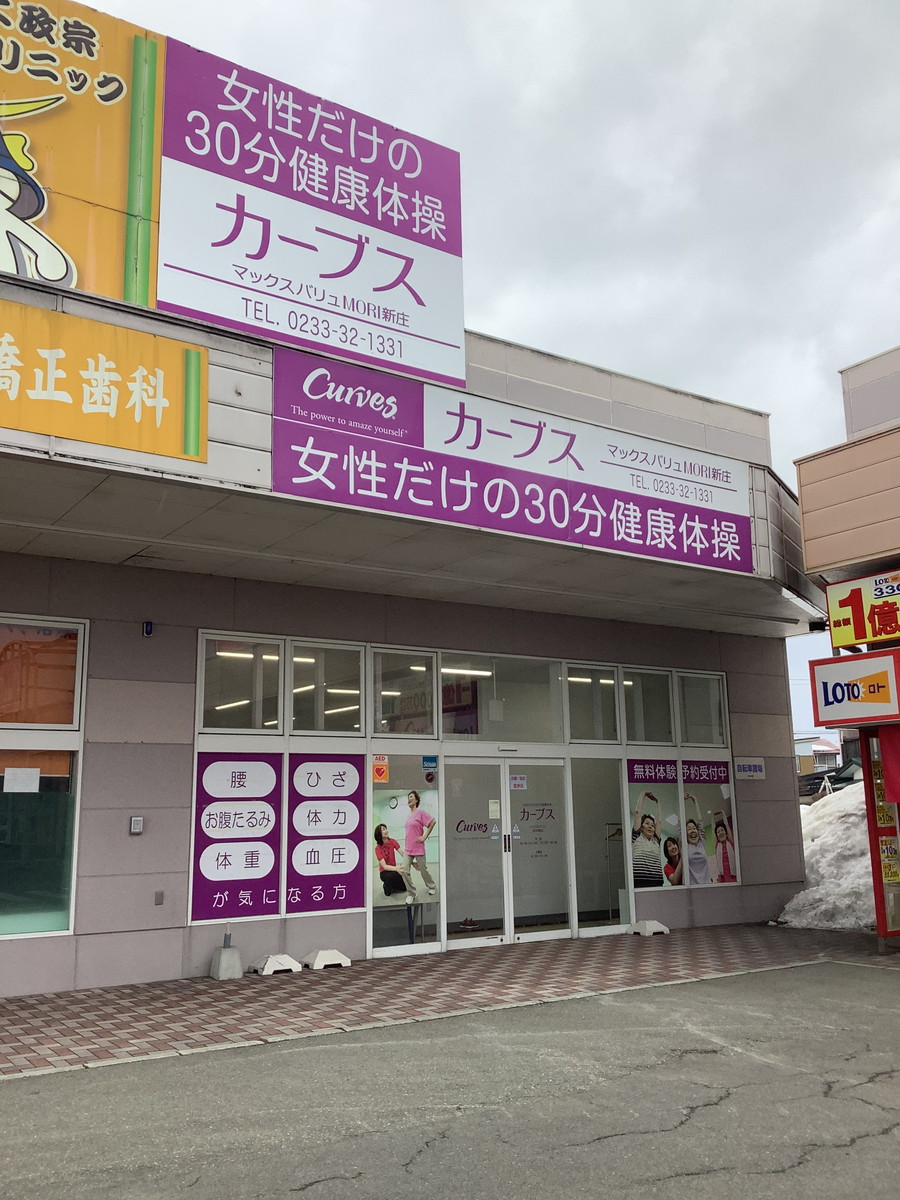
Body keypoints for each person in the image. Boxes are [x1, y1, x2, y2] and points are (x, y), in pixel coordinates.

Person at [404, 791, 437, 896]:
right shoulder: (409, 816)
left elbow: (432, 822)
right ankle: (412, 893)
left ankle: (431, 886)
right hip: (408, 849)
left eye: (411, 797)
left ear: (416, 800)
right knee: (404, 870)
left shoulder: (420, 813)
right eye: (408, 797)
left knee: (423, 870)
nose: (409, 799)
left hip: (418, 848)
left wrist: (425, 836)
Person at [374, 823, 416, 904]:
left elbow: (403, 854)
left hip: (393, 870)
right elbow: (384, 866)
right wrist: (397, 868)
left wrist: (412, 862)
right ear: (379, 834)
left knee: (404, 888)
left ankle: (392, 884)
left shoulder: (392, 841)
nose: (386, 831)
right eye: (383, 829)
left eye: (386, 829)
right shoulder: (378, 848)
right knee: (391, 878)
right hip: (384, 872)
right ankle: (386, 886)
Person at [631, 791, 664, 888]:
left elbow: (659, 821)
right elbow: (638, 813)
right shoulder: (637, 837)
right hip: (639, 882)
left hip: (657, 883)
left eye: (652, 825)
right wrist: (643, 794)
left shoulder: (656, 841)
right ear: (641, 827)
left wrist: (658, 802)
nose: (650, 826)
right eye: (647, 823)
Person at [683, 793, 713, 885]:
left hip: (706, 885)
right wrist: (681, 801)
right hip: (691, 888)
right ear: (685, 834)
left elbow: (700, 821)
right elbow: (680, 825)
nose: (692, 830)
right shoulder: (685, 846)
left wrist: (695, 800)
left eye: (694, 828)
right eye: (689, 829)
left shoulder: (702, 843)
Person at [713, 810, 737, 883]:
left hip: (733, 876)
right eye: (718, 832)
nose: (720, 832)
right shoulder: (717, 844)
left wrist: (723, 813)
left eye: (722, 830)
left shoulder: (730, 841)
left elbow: (726, 824)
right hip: (722, 878)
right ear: (717, 836)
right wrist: (712, 817)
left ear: (726, 833)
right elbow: (713, 828)